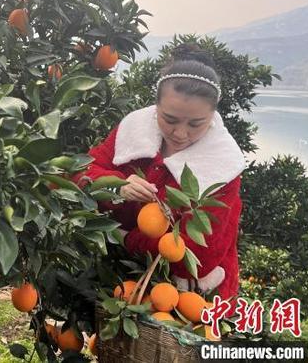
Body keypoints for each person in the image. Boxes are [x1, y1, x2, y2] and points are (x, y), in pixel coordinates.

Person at [76, 43, 245, 302]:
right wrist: (116, 187)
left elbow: (198, 257)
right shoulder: (133, 131)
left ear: (212, 117)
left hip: (191, 298)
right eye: (170, 119)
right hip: (122, 280)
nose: (180, 133)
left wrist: (121, 236)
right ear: (155, 108)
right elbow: (84, 170)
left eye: (195, 124)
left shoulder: (222, 165)